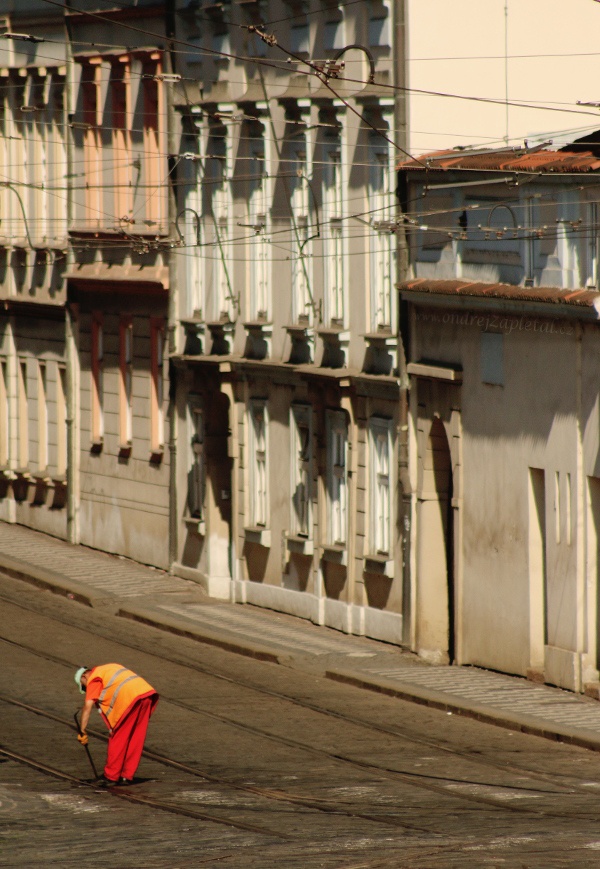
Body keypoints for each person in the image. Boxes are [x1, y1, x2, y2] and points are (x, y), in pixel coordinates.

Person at [75, 663, 159, 787]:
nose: (87, 691)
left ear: (84, 678)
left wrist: (82, 730)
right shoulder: (109, 667)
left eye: (84, 687)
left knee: (118, 737)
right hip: (146, 695)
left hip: (130, 699)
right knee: (136, 737)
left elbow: (87, 707)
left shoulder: (94, 678)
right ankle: (126, 776)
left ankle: (111, 776)